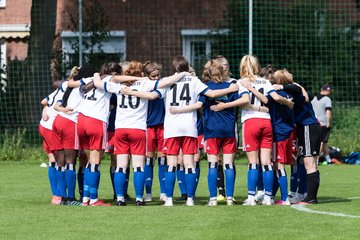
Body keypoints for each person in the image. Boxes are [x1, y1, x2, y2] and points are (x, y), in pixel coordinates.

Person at [94, 60, 191, 206]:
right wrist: (183, 73)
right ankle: (140, 198)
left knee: (121, 166)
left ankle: (120, 198)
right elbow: (165, 82)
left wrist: (96, 74)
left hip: (120, 129)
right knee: (138, 166)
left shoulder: (118, 85)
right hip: (138, 129)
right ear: (141, 73)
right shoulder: (146, 83)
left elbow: (99, 83)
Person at [210, 55, 293, 206]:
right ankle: (268, 197)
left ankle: (251, 197)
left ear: (242, 67)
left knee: (253, 162)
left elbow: (245, 101)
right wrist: (287, 102)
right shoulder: (266, 81)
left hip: (251, 122)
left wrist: (225, 105)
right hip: (266, 122)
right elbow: (271, 99)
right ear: (256, 66)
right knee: (266, 162)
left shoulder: (242, 82)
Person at [52, 65, 95, 205]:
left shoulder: (69, 86)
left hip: (58, 121)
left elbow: (56, 85)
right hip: (70, 122)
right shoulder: (85, 84)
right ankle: (70, 198)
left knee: (60, 161)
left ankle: (61, 197)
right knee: (71, 161)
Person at [38, 67, 75, 204]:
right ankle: (59, 195)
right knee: (61, 161)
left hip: (43, 125)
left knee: (52, 160)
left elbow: (44, 101)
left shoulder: (59, 89)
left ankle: (56, 195)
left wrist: (45, 109)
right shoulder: (70, 91)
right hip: (51, 127)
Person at [311, 84, 333, 165]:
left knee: (324, 142)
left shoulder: (314, 98)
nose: (330, 93)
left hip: (314, 122)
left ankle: (328, 160)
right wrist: (328, 123)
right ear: (327, 91)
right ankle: (316, 160)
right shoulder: (327, 99)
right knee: (321, 142)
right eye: (330, 91)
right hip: (323, 123)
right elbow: (328, 112)